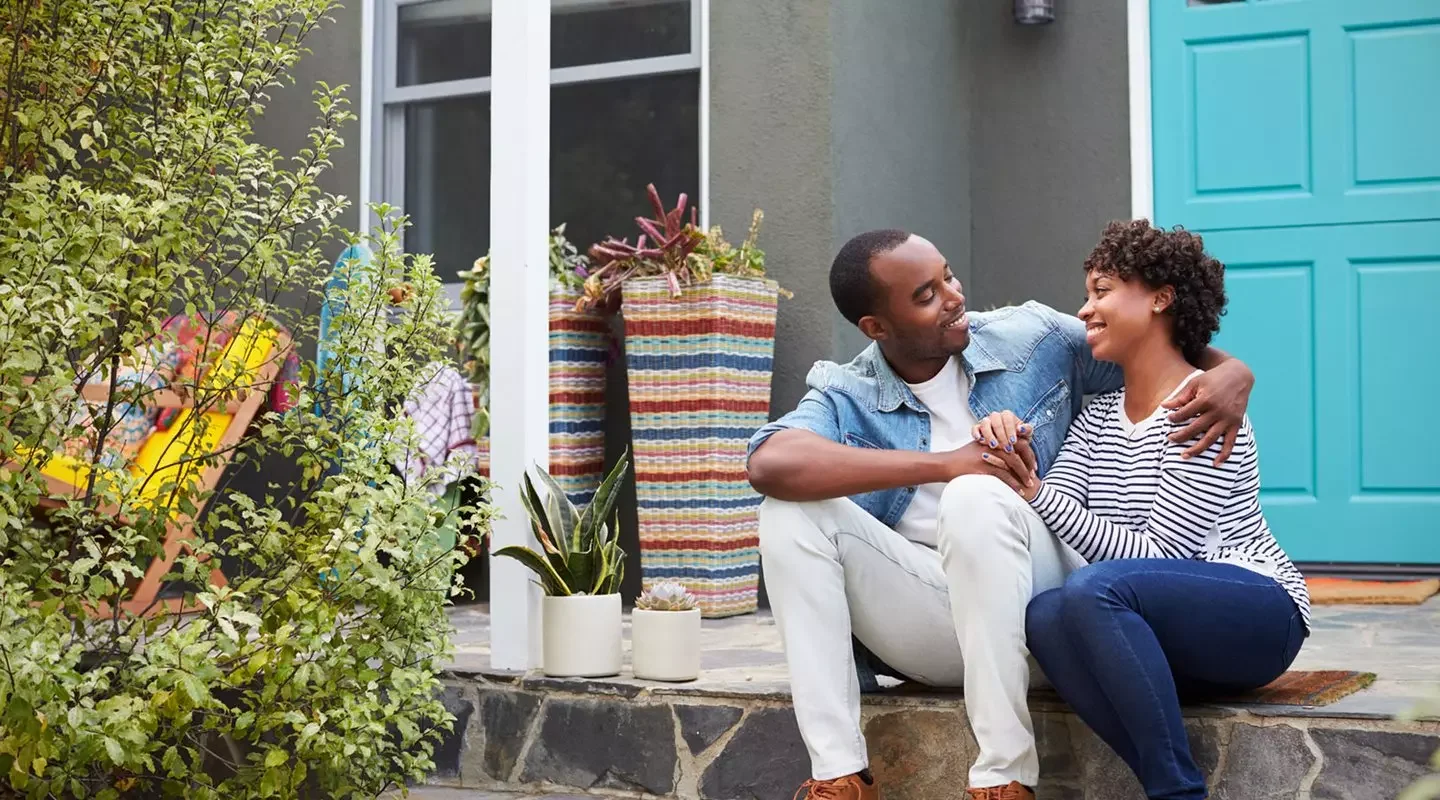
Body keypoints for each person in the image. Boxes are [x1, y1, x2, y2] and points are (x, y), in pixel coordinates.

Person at [745, 229, 1258, 800]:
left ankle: (1002, 777)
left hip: (1043, 613)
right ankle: (838, 774)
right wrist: (944, 464)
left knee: (978, 495)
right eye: (925, 295)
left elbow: (1151, 341)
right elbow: (770, 462)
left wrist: (1234, 372)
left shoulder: (1031, 339)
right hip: (933, 623)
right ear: (876, 328)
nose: (954, 296)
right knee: (789, 514)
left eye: (948, 275)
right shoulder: (847, 392)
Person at [977, 220, 1308, 800]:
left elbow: (1162, 556)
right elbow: (1057, 521)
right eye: (1086, 294)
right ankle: (1170, 785)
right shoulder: (1099, 416)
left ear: (1161, 297)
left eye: (1102, 291)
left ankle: (1176, 793)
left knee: (1092, 590)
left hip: (1258, 614)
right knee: (1047, 616)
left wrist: (1034, 493)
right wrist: (1013, 454)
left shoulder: (1203, 407)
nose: (1084, 310)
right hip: (1157, 629)